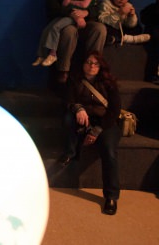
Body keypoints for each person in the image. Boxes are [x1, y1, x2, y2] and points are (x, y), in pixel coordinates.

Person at [59, 51, 122, 215]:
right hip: (84, 119)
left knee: (109, 150)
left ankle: (111, 196)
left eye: (95, 63)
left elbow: (114, 111)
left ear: (101, 66)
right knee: (68, 118)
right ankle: (71, 152)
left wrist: (97, 131)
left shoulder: (109, 83)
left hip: (105, 123)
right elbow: (68, 100)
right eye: (88, 62)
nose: (91, 66)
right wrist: (78, 108)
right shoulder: (75, 80)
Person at [32, 0, 106, 83]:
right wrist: (75, 15)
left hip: (85, 24)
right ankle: (63, 71)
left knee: (100, 28)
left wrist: (86, 13)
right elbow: (55, 10)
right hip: (68, 25)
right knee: (69, 31)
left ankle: (93, 65)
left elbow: (95, 7)